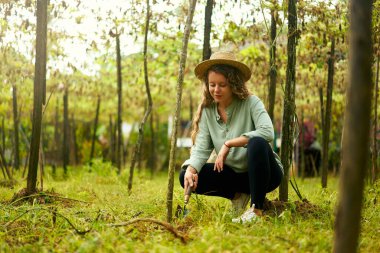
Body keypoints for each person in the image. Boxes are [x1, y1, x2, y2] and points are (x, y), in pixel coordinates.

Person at [179, 51, 284, 223]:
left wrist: (229, 143)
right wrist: (192, 170)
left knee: (257, 142)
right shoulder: (208, 110)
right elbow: (202, 148)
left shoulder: (251, 102)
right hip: (233, 176)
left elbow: (267, 131)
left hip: (264, 174)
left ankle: (256, 210)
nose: (216, 90)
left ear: (233, 83)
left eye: (222, 85)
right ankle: (238, 196)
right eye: (212, 84)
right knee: (184, 175)